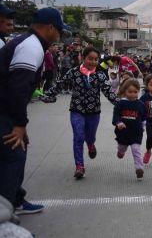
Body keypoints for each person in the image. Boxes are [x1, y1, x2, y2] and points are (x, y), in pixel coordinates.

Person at [1, 7, 69, 215]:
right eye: (59, 31)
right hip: (3, 110)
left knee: (16, 154)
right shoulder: (32, 47)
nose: (59, 36)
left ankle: (15, 199)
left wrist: (20, 122)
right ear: (50, 28)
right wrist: (20, 124)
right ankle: (6, 215)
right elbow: (18, 89)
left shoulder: (29, 43)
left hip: (7, 110)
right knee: (12, 158)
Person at [43, 47, 118, 179]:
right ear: (83, 58)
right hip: (77, 110)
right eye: (90, 59)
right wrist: (48, 95)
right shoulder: (73, 72)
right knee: (78, 136)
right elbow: (60, 84)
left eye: (96, 59)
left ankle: (90, 144)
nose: (93, 62)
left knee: (90, 137)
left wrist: (121, 104)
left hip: (94, 111)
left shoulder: (100, 75)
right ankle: (80, 166)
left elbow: (108, 92)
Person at [113, 79, 147, 179]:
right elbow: (116, 115)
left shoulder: (141, 104)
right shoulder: (120, 103)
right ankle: (121, 151)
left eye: (135, 92)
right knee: (122, 147)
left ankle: (139, 168)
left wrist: (143, 126)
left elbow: (144, 117)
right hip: (123, 132)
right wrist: (119, 122)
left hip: (136, 132)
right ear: (124, 91)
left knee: (136, 149)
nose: (132, 94)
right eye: (130, 92)